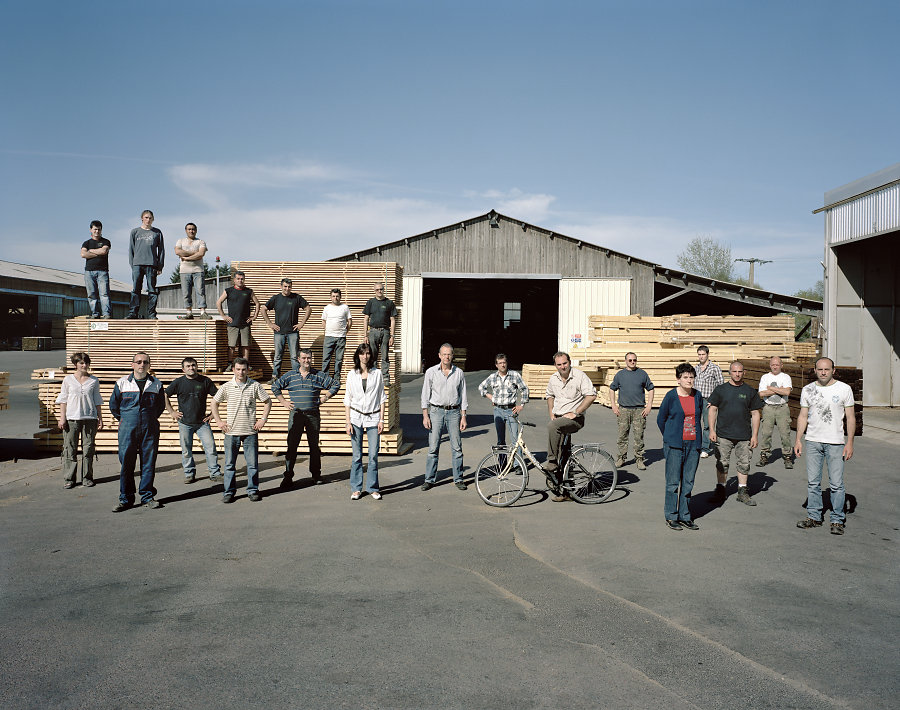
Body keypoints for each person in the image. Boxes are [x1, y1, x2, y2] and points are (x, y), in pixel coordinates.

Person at [794, 357, 855, 535]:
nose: (823, 372)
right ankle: (814, 516)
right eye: (820, 369)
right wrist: (798, 439)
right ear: (815, 370)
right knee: (813, 482)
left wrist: (850, 442)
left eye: (827, 369)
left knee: (836, 483)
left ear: (833, 370)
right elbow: (803, 416)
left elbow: (850, 417)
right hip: (813, 441)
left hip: (836, 443)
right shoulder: (808, 390)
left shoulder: (844, 389)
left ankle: (837, 519)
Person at [271, 348, 339, 488]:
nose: (306, 360)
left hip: (313, 415)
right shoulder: (290, 376)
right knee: (292, 447)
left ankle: (316, 475)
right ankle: (288, 476)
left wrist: (325, 397)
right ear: (298, 360)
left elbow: (335, 384)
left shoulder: (318, 375)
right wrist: (283, 402)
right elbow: (275, 386)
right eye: (303, 358)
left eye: (308, 358)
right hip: (296, 415)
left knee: (314, 446)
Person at [109, 351, 166, 511]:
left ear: (149, 365)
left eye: (145, 362)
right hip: (128, 428)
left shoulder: (156, 384)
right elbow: (114, 406)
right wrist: (128, 419)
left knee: (148, 463)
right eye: (139, 362)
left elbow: (160, 407)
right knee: (126, 463)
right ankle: (125, 498)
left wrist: (148, 418)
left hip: (149, 428)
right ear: (132, 364)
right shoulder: (122, 383)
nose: (142, 365)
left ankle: (147, 496)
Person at [211, 358, 271, 503]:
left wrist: (263, 419)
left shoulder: (255, 385)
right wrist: (219, 421)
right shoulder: (226, 386)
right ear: (233, 370)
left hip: (250, 431)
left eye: (243, 369)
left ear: (247, 370)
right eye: (238, 369)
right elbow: (214, 402)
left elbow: (267, 401)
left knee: (252, 464)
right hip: (231, 432)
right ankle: (229, 492)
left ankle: (252, 490)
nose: (241, 372)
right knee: (230, 465)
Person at [707, 361, 764, 506]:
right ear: (729, 372)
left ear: (743, 372)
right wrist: (712, 430)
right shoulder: (721, 390)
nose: (737, 374)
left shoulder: (750, 391)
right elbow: (712, 409)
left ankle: (742, 491)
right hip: (723, 434)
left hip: (744, 436)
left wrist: (755, 435)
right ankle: (720, 489)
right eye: (734, 371)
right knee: (722, 463)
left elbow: (756, 414)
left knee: (744, 464)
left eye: (740, 372)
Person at [656, 363, 703, 531]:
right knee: (673, 483)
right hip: (675, 445)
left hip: (693, 445)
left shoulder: (697, 396)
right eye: (685, 377)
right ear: (678, 379)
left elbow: (699, 419)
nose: (689, 380)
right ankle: (671, 515)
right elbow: (661, 419)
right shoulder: (671, 396)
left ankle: (685, 515)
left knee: (688, 482)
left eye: (691, 377)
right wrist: (670, 437)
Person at [545, 351, 597, 502]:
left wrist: (576, 412)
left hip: (575, 420)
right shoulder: (553, 378)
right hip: (559, 419)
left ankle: (552, 462)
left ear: (570, 362)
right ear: (555, 365)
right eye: (559, 364)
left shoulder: (580, 376)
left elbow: (591, 395)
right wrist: (551, 411)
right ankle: (567, 492)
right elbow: (549, 395)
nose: (562, 367)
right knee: (564, 454)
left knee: (552, 427)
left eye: (565, 363)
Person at [164, 357, 221, 484]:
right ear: (183, 369)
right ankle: (189, 473)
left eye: (193, 365)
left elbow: (218, 397)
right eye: (188, 366)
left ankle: (214, 473)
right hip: (185, 423)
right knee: (186, 450)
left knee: (211, 448)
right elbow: (165, 394)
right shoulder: (178, 382)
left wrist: (213, 414)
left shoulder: (205, 381)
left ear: (197, 366)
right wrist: (172, 412)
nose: (191, 368)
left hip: (202, 423)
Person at [420, 343, 468, 491]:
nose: (447, 357)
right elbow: (425, 395)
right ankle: (429, 479)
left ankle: (458, 478)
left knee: (457, 448)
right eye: (444, 354)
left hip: (454, 413)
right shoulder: (431, 372)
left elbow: (463, 395)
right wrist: (425, 416)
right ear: (439, 355)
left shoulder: (458, 373)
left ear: (453, 356)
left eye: (449, 354)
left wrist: (463, 416)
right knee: (433, 447)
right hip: (436, 412)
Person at [344, 342, 386, 500]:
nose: (365, 356)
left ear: (371, 355)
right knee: (357, 455)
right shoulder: (351, 374)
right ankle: (356, 488)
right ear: (358, 355)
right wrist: (348, 422)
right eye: (362, 353)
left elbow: (382, 398)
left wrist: (381, 419)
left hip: (373, 417)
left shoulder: (377, 374)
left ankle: (373, 487)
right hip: (355, 417)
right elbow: (347, 399)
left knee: (373, 454)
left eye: (368, 353)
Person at [56, 351, 104, 488]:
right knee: (69, 448)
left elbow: (97, 400)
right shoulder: (68, 380)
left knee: (88, 448)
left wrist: (100, 418)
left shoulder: (94, 380)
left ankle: (87, 477)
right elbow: (63, 400)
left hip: (89, 418)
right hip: (72, 418)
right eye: (81, 363)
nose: (84, 365)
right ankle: (69, 478)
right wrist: (62, 418)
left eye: (86, 362)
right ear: (75, 364)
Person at [609, 352, 655, 470]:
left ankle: (639, 458)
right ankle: (621, 458)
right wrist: (613, 405)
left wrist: (649, 405)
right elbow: (612, 389)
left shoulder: (642, 374)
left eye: (634, 360)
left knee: (639, 436)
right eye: (630, 360)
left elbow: (651, 388)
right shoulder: (620, 375)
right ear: (625, 361)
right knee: (622, 435)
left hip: (639, 410)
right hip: (623, 410)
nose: (632, 362)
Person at [261, 278, 311, 381]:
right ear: (281, 287)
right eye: (285, 286)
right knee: (278, 356)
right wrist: (270, 323)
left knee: (294, 357)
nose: (287, 289)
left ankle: (297, 377)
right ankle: (275, 377)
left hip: (293, 332)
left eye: (289, 287)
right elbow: (263, 309)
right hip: (279, 333)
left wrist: (301, 323)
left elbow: (308, 309)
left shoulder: (296, 298)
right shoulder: (276, 298)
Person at [477, 353, 529, 446]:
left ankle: (518, 461)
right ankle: (502, 461)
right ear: (496, 365)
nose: (502, 365)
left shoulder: (515, 375)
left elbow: (525, 389)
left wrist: (521, 405)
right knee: (500, 440)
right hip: (498, 410)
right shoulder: (493, 377)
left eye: (504, 362)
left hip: (511, 410)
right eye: (500, 363)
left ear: (507, 363)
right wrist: (491, 397)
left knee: (515, 440)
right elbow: (481, 387)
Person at [216, 271, 260, 370]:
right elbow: (218, 302)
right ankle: (229, 364)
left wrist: (254, 316)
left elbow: (257, 303)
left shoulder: (248, 291)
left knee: (246, 345)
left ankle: (246, 365)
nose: (240, 281)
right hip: (232, 323)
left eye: (242, 279)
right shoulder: (228, 291)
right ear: (234, 280)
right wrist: (223, 316)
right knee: (232, 345)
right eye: (238, 279)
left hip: (245, 323)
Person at [757, 356, 793, 468]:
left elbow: (787, 392)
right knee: (766, 433)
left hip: (782, 407)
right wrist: (779, 390)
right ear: (770, 365)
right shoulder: (765, 377)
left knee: (785, 433)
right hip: (768, 407)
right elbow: (761, 394)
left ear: (781, 365)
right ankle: (764, 455)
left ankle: (787, 456)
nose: (775, 367)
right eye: (773, 365)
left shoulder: (786, 377)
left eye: (777, 364)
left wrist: (770, 389)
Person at [127, 210, 164, 320]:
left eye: (150, 218)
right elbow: (131, 249)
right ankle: (133, 312)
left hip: (151, 264)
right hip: (137, 264)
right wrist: (132, 265)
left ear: (153, 219)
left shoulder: (157, 232)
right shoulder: (135, 232)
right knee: (136, 289)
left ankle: (152, 314)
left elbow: (161, 250)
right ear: (142, 218)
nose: (148, 220)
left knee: (152, 290)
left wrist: (160, 265)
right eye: (146, 217)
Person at [362, 282, 398, 385]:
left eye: (381, 289)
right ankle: (372, 376)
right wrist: (365, 335)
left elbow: (393, 320)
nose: (379, 291)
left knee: (385, 355)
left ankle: (385, 378)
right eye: (377, 289)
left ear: (384, 289)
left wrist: (392, 335)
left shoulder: (389, 303)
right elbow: (365, 319)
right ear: (374, 290)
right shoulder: (370, 302)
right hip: (373, 331)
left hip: (385, 332)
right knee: (372, 355)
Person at [174, 223, 210, 320]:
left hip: (198, 270)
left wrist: (186, 258)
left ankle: (203, 313)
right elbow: (177, 251)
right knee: (186, 293)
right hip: (184, 271)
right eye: (189, 229)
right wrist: (195, 253)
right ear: (186, 230)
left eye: (193, 229)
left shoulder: (201, 242)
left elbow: (201, 254)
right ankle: (189, 313)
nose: (191, 231)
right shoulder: (180, 241)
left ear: (196, 230)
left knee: (200, 291)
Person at [694, 346, 724, 458]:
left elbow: (721, 385)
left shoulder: (714, 368)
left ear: (707, 354)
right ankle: (696, 446)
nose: (701, 356)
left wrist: (714, 400)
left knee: (707, 425)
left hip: (708, 401)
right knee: (695, 424)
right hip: (696, 399)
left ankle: (705, 448)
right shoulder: (695, 368)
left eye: (703, 354)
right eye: (699, 354)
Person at [81, 220, 111, 319]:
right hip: (89, 271)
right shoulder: (86, 243)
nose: (97, 231)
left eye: (99, 229)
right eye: (95, 229)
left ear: (101, 230)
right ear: (91, 230)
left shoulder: (106, 241)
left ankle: (106, 314)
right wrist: (98, 252)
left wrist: (91, 252)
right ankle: (95, 313)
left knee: (104, 294)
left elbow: (104, 250)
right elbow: (83, 254)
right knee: (91, 294)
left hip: (102, 271)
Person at [321, 288, 352, 382]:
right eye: (333, 296)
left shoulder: (345, 307)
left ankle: (337, 377)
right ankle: (325, 377)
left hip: (341, 337)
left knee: (339, 359)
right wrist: (327, 330)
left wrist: (345, 331)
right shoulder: (327, 308)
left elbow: (349, 321)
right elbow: (323, 321)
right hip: (329, 336)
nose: (335, 298)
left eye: (337, 296)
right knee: (326, 358)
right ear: (330, 297)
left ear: (340, 297)